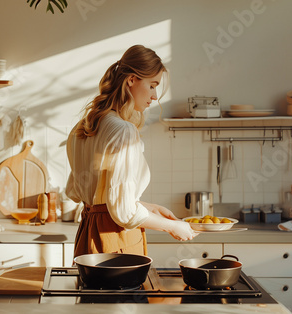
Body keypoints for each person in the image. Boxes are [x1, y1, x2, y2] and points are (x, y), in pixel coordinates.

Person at [65, 45, 198, 258]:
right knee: (122, 292)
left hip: (88, 234)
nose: (154, 96)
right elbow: (124, 213)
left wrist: (149, 207)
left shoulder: (83, 127)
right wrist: (172, 226)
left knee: (90, 291)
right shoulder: (123, 130)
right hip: (114, 239)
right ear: (131, 80)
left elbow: (80, 194)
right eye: (152, 85)